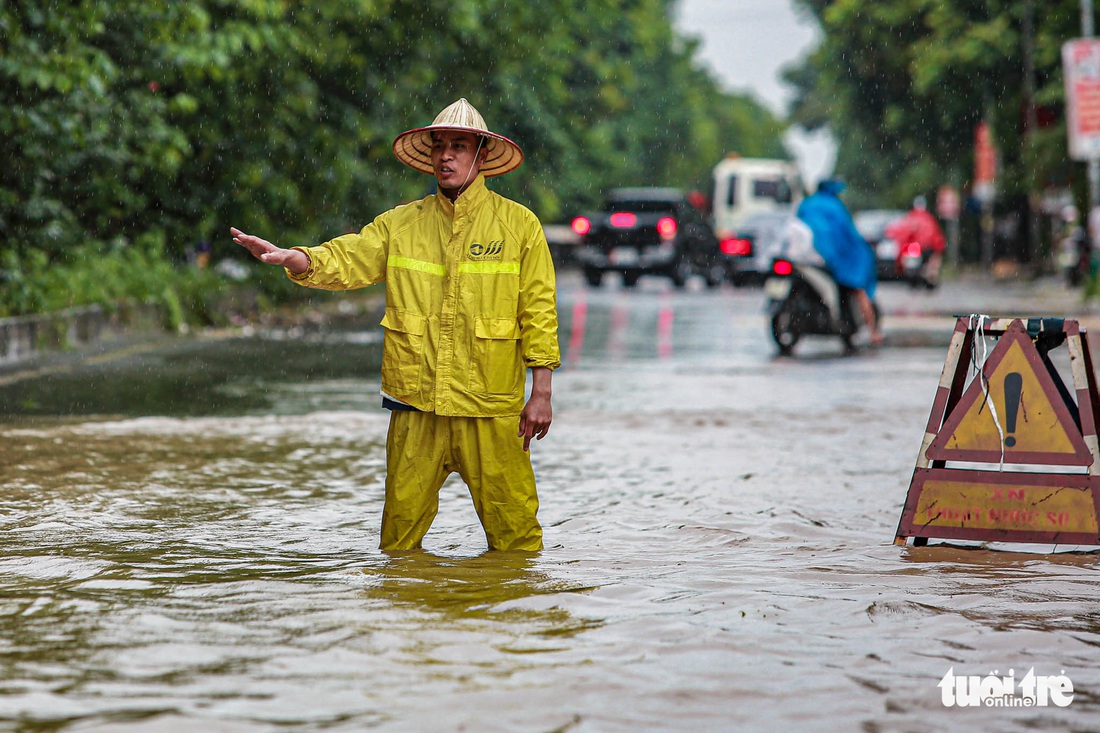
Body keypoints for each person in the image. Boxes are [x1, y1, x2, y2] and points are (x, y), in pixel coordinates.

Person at [230, 98, 561, 553]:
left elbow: (539, 312)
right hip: (414, 407)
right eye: (439, 146)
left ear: (482, 155)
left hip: (490, 409)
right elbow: (348, 257)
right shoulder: (401, 224)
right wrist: (298, 259)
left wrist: (540, 393)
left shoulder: (520, 226)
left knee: (518, 545)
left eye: (459, 146)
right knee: (398, 547)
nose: (446, 156)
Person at [796, 179, 883, 345]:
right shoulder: (835, 207)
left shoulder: (807, 204)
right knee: (859, 290)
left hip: (806, 257)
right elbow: (848, 234)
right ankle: (874, 333)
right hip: (834, 260)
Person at [885, 195, 946, 287]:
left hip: (915, 247)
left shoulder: (911, 217)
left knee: (930, 261)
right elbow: (937, 237)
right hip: (927, 247)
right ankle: (930, 275)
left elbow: (901, 234)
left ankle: (928, 275)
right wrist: (938, 249)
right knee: (934, 260)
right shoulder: (929, 218)